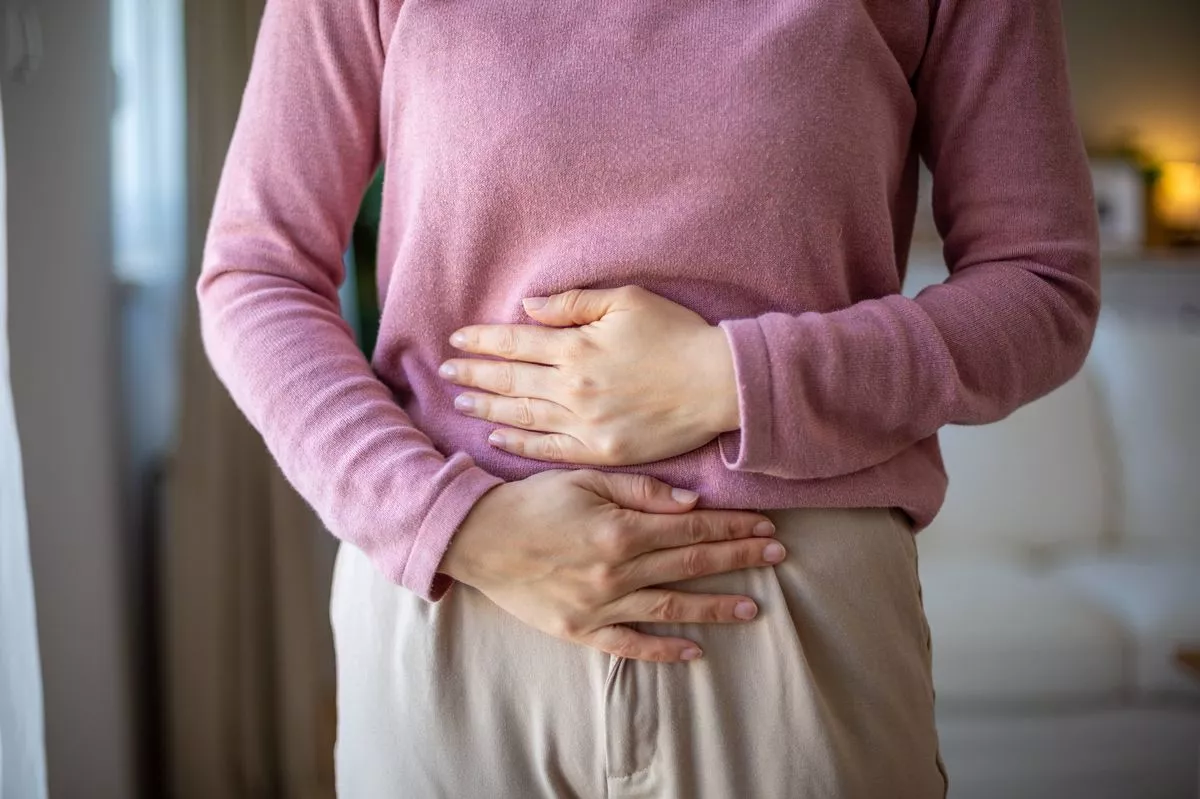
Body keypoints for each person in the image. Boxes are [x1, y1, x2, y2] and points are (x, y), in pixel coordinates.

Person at [198, 1, 1099, 796]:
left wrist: (737, 378)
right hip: (461, 608)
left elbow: (1043, 284)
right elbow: (256, 275)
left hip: (791, 625)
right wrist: (448, 522)